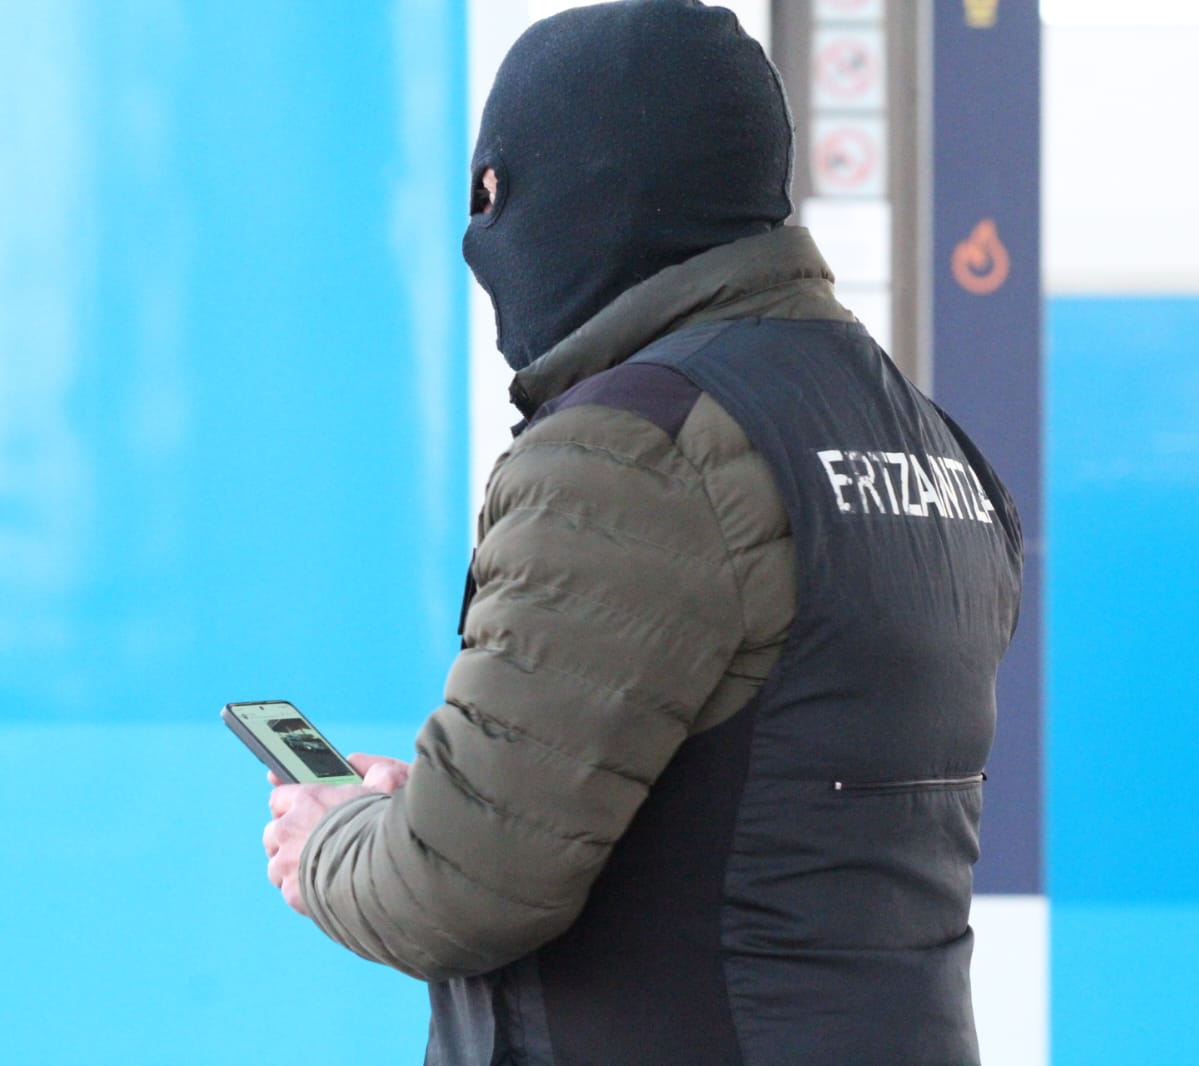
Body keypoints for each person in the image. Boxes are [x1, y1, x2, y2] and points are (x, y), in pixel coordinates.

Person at [259, 2, 1023, 1063]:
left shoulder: (635, 447)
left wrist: (333, 835)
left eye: (494, 194)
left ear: (587, 185)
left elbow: (458, 886)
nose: (484, 236)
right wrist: (434, 802)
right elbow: (757, 796)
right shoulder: (928, 445)